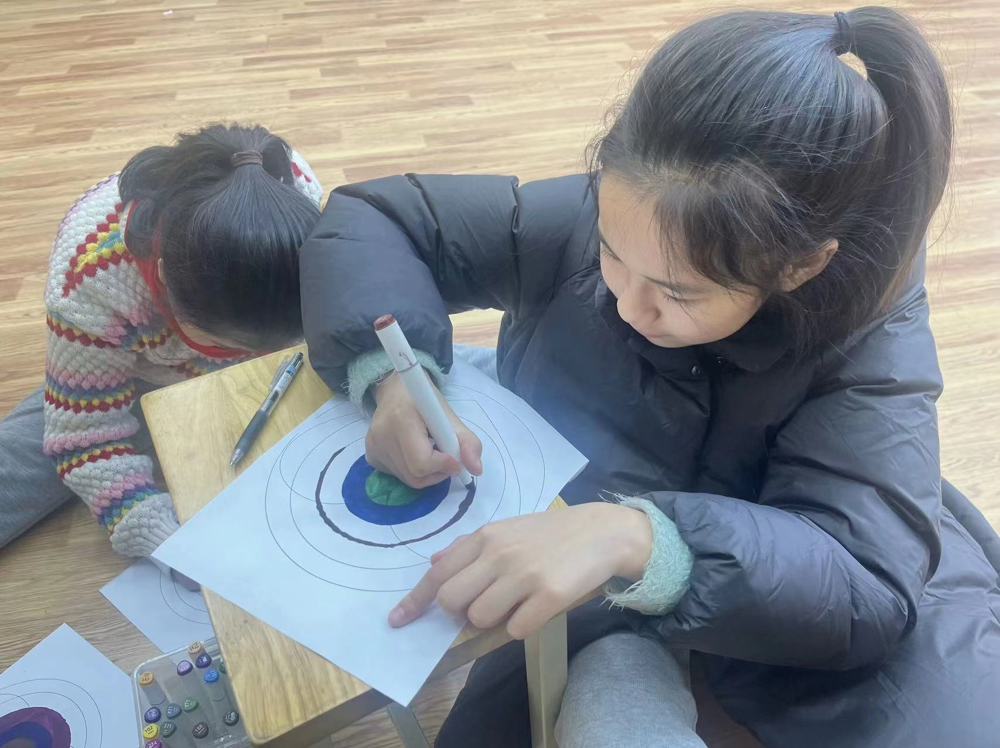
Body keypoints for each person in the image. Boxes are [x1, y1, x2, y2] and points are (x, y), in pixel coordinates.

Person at [300, 7, 1000, 747]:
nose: (627, 305)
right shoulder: (631, 213)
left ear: (800, 266)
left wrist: (643, 538)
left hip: (754, 574)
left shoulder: (872, 338)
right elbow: (377, 219)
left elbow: (866, 579)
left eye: (679, 293)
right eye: (609, 252)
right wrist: (390, 374)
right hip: (578, 550)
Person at [0, 123, 324, 557]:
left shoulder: (293, 189)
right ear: (164, 280)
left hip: (259, 357)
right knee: (25, 466)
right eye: (224, 345)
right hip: (147, 373)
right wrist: (146, 523)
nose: (248, 360)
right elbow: (85, 436)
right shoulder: (89, 284)